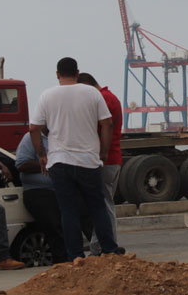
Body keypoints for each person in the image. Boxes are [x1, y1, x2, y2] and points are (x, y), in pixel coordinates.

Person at [30, 57, 124, 261]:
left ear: (57, 74)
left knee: (68, 210)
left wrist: (41, 155)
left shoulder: (47, 95)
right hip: (88, 160)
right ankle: (109, 249)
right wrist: (104, 151)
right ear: (77, 72)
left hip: (59, 161)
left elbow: (34, 128)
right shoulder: (92, 93)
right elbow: (107, 123)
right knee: (97, 206)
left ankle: (75, 255)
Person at [76, 72, 123, 256]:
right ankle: (100, 245)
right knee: (102, 203)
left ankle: (104, 246)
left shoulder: (104, 99)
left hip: (106, 159)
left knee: (104, 205)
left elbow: (100, 127)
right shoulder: (109, 98)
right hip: (110, 158)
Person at [15, 130, 68, 264]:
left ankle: (101, 250)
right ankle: (61, 261)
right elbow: (21, 164)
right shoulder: (31, 138)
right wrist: (49, 164)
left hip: (62, 189)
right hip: (38, 191)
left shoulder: (61, 136)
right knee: (54, 226)